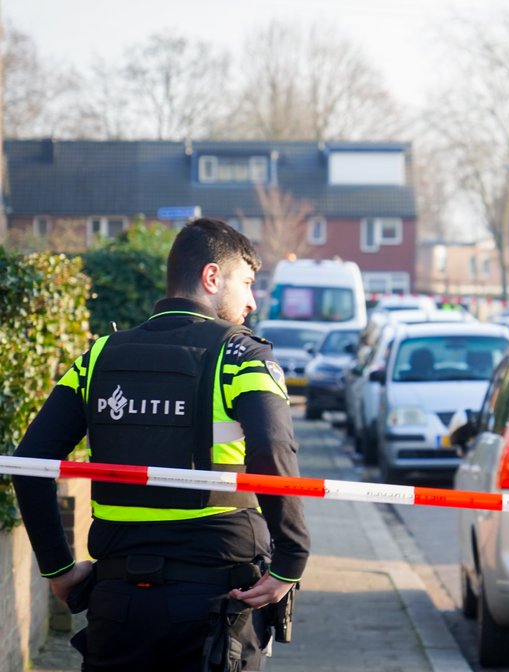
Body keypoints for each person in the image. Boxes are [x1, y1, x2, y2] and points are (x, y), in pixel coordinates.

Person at [13, 218, 310, 671]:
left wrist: (59, 569)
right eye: (247, 284)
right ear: (212, 278)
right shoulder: (242, 355)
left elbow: (30, 461)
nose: (252, 301)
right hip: (216, 605)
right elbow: (272, 454)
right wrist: (290, 561)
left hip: (118, 605)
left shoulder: (99, 356)